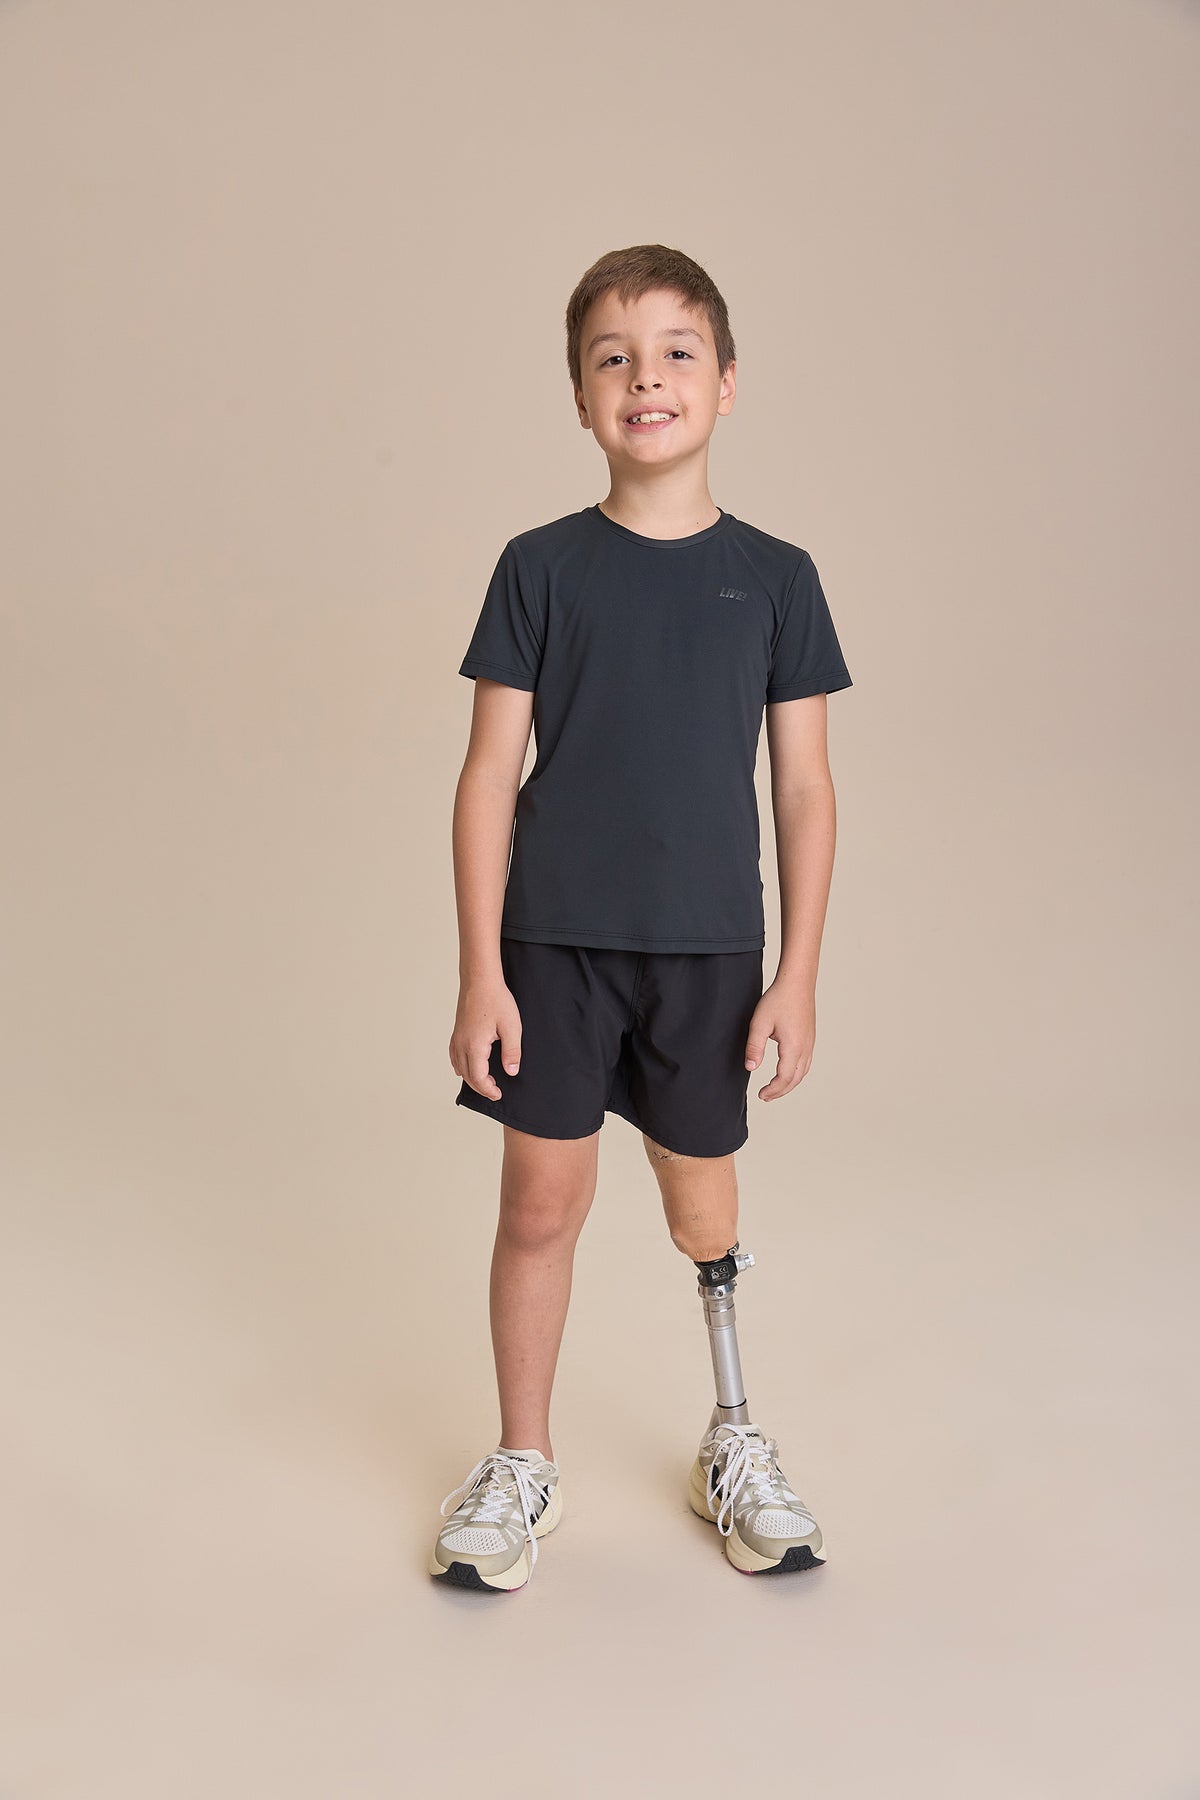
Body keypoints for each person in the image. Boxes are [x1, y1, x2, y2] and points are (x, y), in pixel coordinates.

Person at [430, 244, 853, 1591]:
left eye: (677, 352)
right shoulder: (540, 567)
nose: (645, 378)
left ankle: (733, 1434)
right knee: (539, 1205)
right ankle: (523, 1458)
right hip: (552, 947)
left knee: (699, 1208)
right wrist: (481, 971)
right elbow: (488, 774)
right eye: (612, 358)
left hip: (709, 952)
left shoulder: (777, 577)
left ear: (726, 383)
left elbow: (804, 787)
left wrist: (797, 975)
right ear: (580, 396)